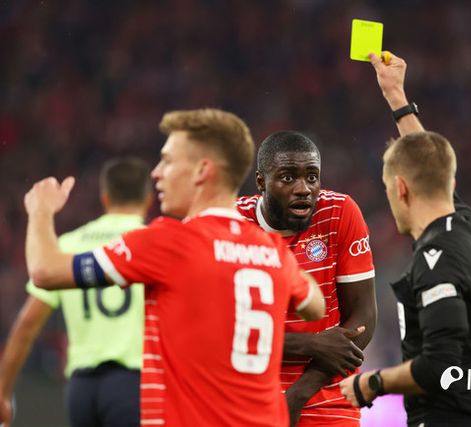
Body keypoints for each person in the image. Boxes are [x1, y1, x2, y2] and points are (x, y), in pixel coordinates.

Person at [22, 108, 326, 427]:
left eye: (167, 161)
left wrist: (41, 211)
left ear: (202, 170)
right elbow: (315, 306)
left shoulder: (168, 242)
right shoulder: (273, 252)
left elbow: (45, 271)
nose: (156, 173)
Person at [339, 52, 471, 426]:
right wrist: (396, 97)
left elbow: (440, 367)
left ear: (400, 188)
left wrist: (371, 383)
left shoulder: (437, 257)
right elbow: (428, 162)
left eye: (388, 189)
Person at [236, 130, 377, 426]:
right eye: (288, 178)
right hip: (246, 397)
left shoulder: (339, 212)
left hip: (326, 399)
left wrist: (298, 395)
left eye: (312, 177)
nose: (303, 189)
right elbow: (219, 331)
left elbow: (363, 316)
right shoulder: (232, 224)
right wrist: (309, 344)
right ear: (261, 182)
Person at [0, 156, 152, 427]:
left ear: (105, 198)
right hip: (134, 383)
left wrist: (3, 391)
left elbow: (26, 324)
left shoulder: (68, 245)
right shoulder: (154, 242)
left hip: (82, 389)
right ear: (149, 199)